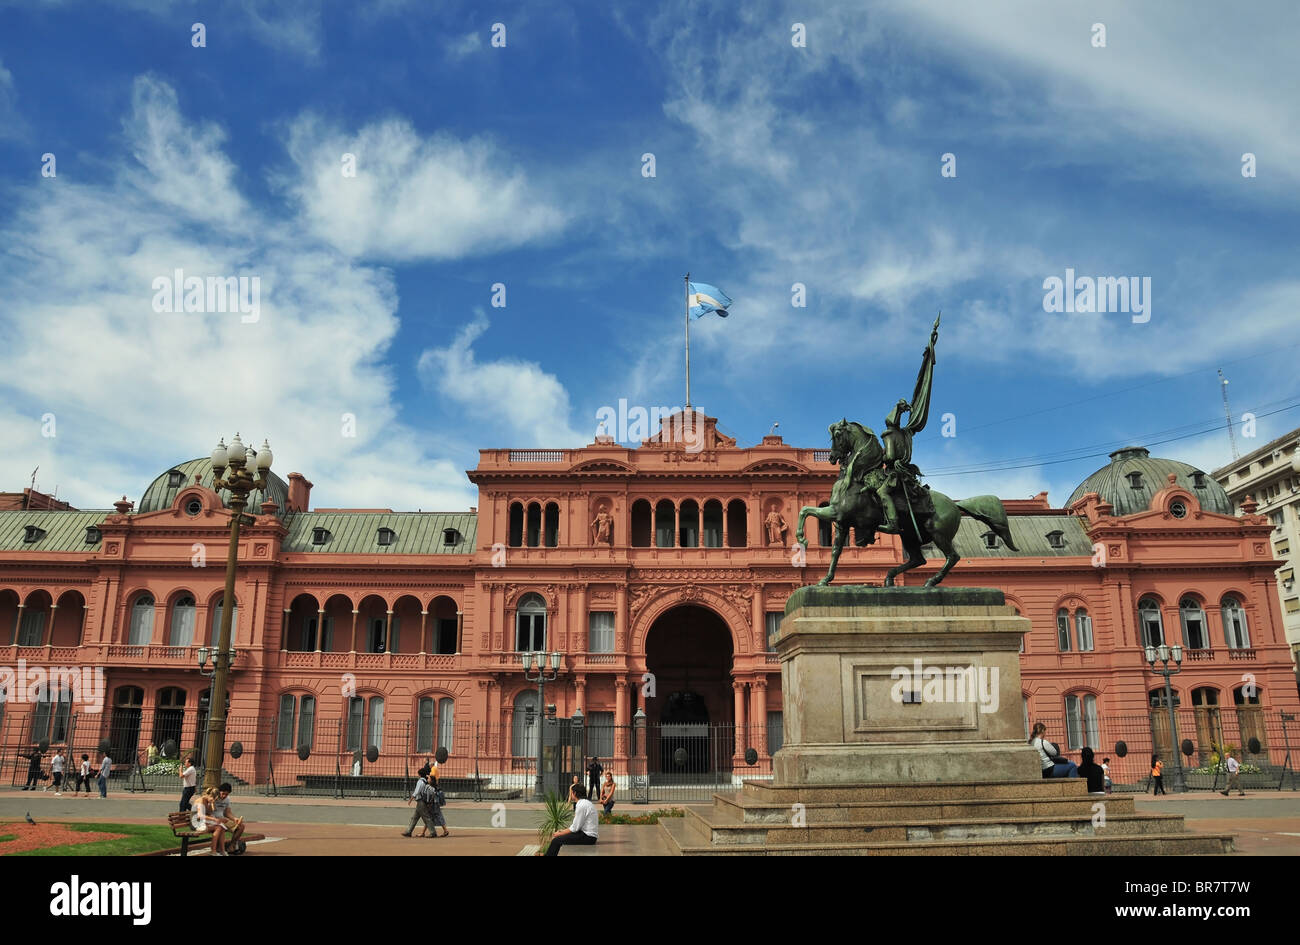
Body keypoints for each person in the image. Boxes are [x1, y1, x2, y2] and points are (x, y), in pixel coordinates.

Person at [544, 783, 598, 855]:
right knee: (559, 839)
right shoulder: (586, 803)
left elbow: (575, 828)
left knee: (556, 840)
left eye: (571, 792)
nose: (570, 794)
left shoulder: (582, 805)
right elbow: (576, 827)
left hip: (588, 837)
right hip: (587, 835)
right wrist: (562, 831)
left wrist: (560, 833)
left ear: (574, 793)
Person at [211, 782, 246, 853]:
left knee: (241, 826)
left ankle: (232, 845)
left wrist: (234, 818)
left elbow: (227, 813)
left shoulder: (227, 799)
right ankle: (219, 848)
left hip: (223, 819)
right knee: (222, 826)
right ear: (219, 791)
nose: (224, 796)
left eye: (226, 794)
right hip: (213, 820)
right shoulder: (213, 797)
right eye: (223, 793)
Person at [190, 787, 224, 853]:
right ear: (210, 795)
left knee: (221, 827)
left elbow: (209, 813)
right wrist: (214, 819)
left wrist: (212, 804)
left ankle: (222, 850)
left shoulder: (207, 801)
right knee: (218, 828)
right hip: (196, 823)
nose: (214, 801)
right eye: (214, 799)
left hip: (201, 822)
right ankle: (213, 850)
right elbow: (200, 815)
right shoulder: (201, 800)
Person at [403, 773, 436, 838]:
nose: (428, 778)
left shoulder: (425, 785)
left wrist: (411, 799)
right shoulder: (430, 786)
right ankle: (409, 831)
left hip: (421, 802)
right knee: (414, 817)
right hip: (423, 802)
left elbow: (417, 791)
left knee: (426, 818)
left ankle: (433, 832)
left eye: (429, 778)